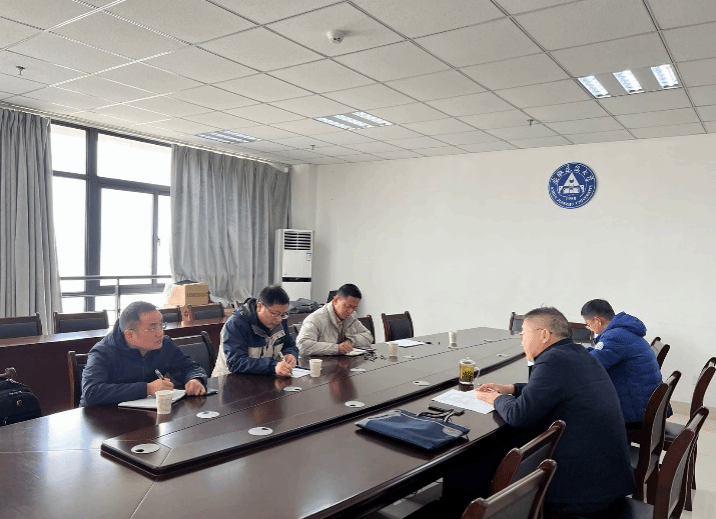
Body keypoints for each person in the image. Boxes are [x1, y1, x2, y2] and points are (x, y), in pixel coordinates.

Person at [476, 307, 635, 516]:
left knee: (485, 461)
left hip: (583, 494)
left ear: (544, 335)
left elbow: (518, 415)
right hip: (608, 481)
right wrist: (512, 388)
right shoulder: (577, 353)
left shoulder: (552, 360)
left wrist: (497, 398)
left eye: (523, 334)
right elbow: (552, 388)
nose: (521, 340)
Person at [81, 301, 207, 406]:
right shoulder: (102, 352)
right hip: (104, 420)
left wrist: (195, 379)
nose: (160, 333)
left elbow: (189, 367)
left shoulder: (165, 344)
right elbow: (91, 393)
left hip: (145, 416)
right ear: (130, 335)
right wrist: (147, 388)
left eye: (161, 325)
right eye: (152, 328)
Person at [581, 299, 662, 426]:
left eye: (588, 324)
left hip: (635, 409)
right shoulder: (622, 331)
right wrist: (579, 351)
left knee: (579, 410)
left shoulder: (615, 336)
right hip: (642, 401)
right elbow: (601, 353)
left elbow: (592, 365)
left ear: (597, 320)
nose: (589, 328)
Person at [211, 285, 298, 377]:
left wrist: (291, 354)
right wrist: (273, 366)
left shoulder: (280, 321)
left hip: (263, 379)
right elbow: (235, 362)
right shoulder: (236, 324)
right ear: (259, 306)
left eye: (283, 314)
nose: (279, 319)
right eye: (274, 314)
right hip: (230, 380)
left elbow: (289, 345)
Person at [297, 283, 373, 355]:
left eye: (354, 308)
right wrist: (336, 348)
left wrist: (351, 341)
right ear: (335, 300)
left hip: (344, 362)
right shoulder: (316, 318)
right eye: (348, 306)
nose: (350, 311)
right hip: (322, 362)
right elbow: (303, 345)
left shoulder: (352, 317)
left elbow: (368, 336)